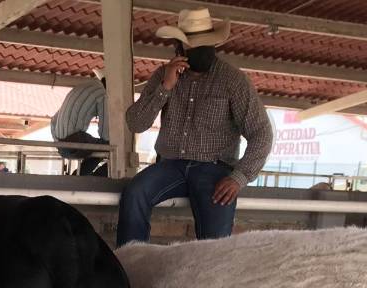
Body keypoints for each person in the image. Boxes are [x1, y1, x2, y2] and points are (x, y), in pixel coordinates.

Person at [117, 8, 273, 244]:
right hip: (170, 165)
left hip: (215, 170)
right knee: (135, 193)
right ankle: (129, 263)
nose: (202, 51)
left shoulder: (233, 80)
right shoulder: (164, 74)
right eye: (194, 46)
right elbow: (136, 123)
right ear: (179, 48)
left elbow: (261, 133)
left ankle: (212, 278)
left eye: (207, 45)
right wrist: (165, 87)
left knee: (215, 243)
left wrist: (238, 177)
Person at [51, 70, 108, 176]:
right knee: (108, 146)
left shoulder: (82, 86)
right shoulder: (103, 94)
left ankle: (79, 175)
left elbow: (53, 120)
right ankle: (93, 178)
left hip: (60, 144)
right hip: (74, 142)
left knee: (98, 146)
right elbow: (105, 132)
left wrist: (58, 142)